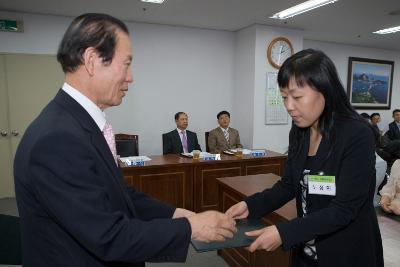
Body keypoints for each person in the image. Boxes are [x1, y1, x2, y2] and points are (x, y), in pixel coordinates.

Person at [14, 13, 236, 267]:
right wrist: (189, 228)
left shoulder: (78, 125)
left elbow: (120, 195)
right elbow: (108, 237)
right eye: (126, 64)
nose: (131, 77)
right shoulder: (57, 139)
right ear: (92, 60)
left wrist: (176, 214)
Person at [226, 49, 383, 267]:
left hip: (346, 253)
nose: (289, 106)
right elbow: (289, 184)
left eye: (297, 97)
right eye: (284, 97)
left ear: (325, 91)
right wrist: (251, 206)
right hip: (306, 252)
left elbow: (344, 209)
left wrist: (284, 232)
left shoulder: (357, 134)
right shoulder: (300, 130)